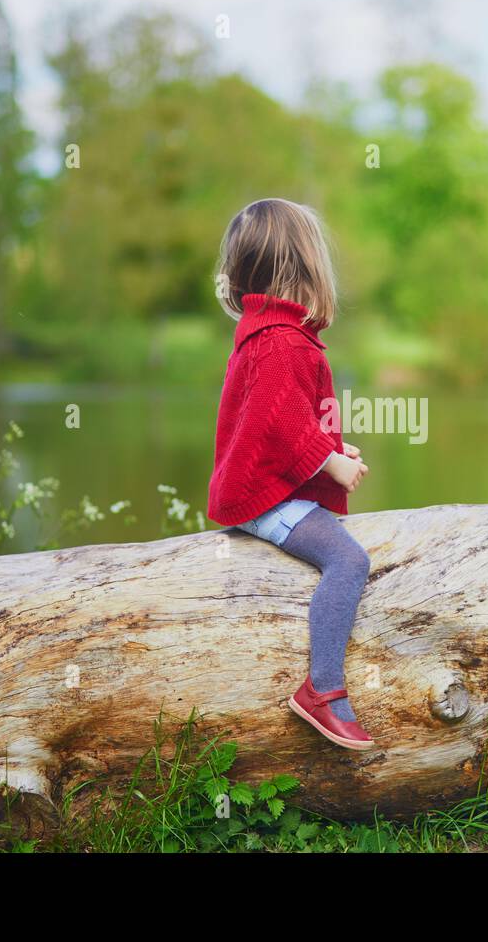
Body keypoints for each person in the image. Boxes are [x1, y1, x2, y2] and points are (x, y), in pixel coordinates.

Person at [206, 197, 375, 750]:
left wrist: (332, 446)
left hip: (256, 486)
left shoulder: (269, 334)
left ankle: (324, 685)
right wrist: (331, 463)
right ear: (303, 270)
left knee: (343, 547)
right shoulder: (282, 342)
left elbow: (279, 418)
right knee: (348, 559)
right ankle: (322, 690)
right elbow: (280, 426)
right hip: (262, 499)